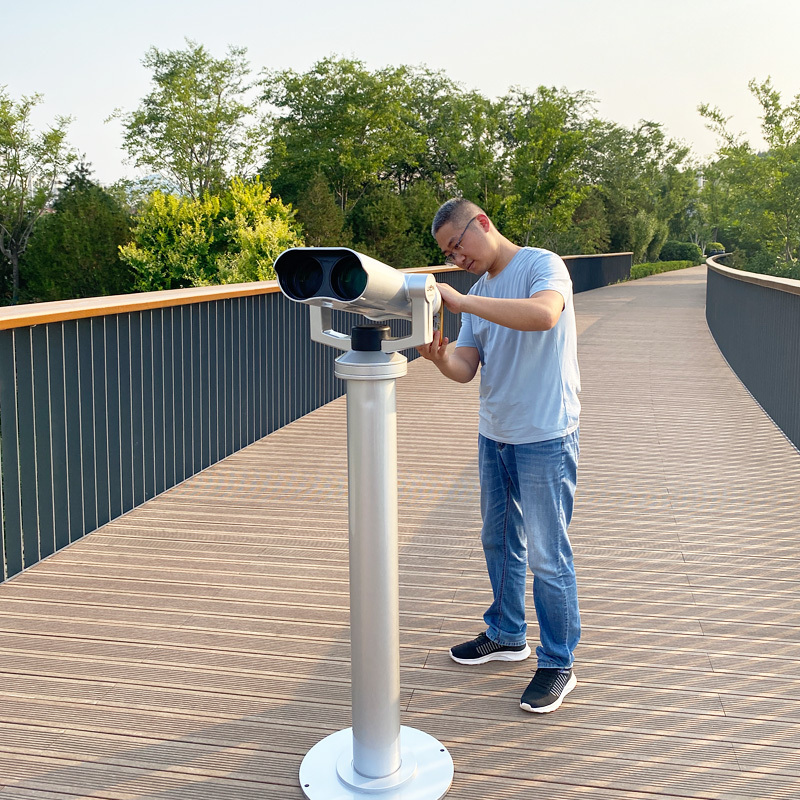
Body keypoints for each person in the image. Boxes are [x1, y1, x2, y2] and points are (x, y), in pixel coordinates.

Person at [416, 198, 581, 714]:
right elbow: (468, 367)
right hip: (496, 434)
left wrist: (463, 304)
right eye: (446, 253)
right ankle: (508, 634)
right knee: (499, 539)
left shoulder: (540, 265)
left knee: (547, 556)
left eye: (457, 246)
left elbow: (543, 315)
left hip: (545, 435)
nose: (455, 259)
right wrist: (441, 356)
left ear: (481, 223)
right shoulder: (480, 292)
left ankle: (558, 663)